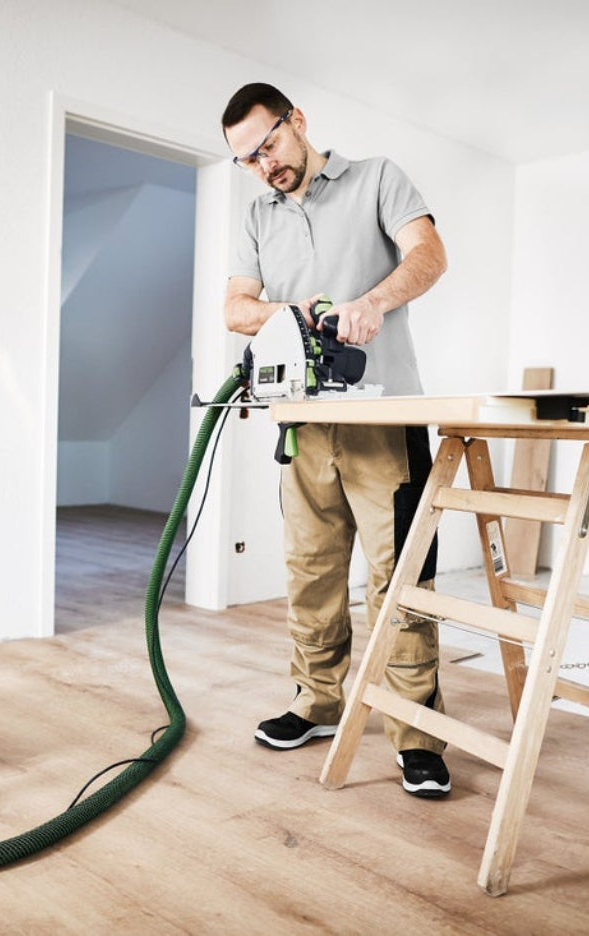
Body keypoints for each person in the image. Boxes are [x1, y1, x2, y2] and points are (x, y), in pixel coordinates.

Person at [221, 82, 450, 798]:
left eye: (268, 145)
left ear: (297, 121)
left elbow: (429, 255)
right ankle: (317, 701)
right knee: (311, 573)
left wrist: (372, 302)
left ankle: (415, 733)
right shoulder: (257, 215)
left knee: (399, 579)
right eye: (248, 159)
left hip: (386, 424)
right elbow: (236, 308)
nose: (264, 165)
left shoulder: (376, 178)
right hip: (304, 426)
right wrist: (298, 310)